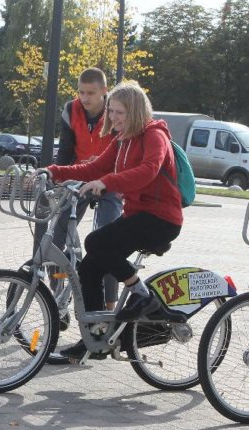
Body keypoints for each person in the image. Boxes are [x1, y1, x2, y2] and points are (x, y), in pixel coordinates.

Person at [43, 80, 182, 360]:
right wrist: (54, 171)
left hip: (161, 219)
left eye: (120, 112)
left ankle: (143, 296)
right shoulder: (122, 141)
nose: (113, 117)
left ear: (135, 111)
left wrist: (106, 183)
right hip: (138, 216)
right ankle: (96, 340)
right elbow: (94, 167)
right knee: (89, 269)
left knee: (96, 242)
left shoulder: (155, 136)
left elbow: (149, 170)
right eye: (111, 111)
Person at [41, 67, 122, 311]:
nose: (85, 98)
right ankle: (58, 301)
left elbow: (124, 152)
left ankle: (109, 308)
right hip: (80, 178)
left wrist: (105, 168)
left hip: (109, 181)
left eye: (91, 93)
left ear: (104, 91)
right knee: (55, 239)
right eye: (81, 92)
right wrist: (59, 179)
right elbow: (65, 151)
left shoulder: (116, 111)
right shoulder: (71, 110)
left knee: (108, 241)